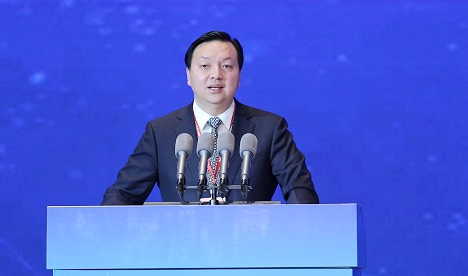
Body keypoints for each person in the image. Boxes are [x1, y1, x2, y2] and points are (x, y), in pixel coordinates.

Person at [101, 30, 319, 205]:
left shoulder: (270, 128)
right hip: (181, 244)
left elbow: (300, 192)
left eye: (227, 66)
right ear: (188, 75)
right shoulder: (161, 132)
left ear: (239, 75)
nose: (216, 75)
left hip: (249, 244)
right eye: (205, 66)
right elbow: (122, 195)